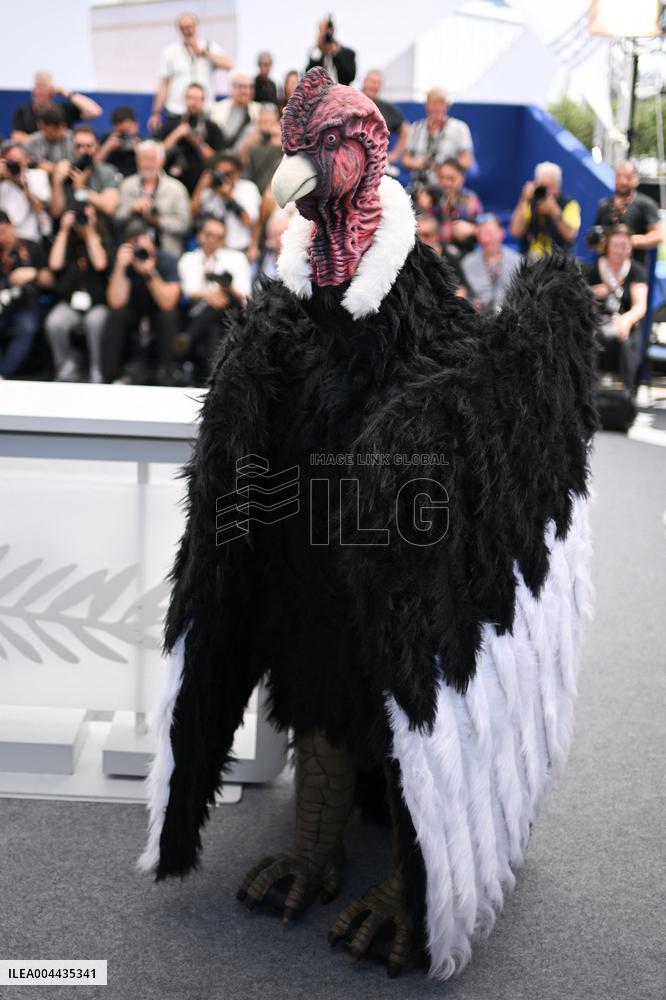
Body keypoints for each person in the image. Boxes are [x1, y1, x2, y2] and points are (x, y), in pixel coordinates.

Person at [103, 219, 180, 385]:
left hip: (157, 312)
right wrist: (120, 268)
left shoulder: (167, 260)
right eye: (133, 241)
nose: (139, 245)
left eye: (142, 238)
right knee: (116, 315)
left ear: (151, 239)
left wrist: (150, 274)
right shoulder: (123, 261)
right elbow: (115, 302)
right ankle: (109, 376)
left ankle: (167, 374)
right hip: (132, 312)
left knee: (169, 316)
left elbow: (168, 303)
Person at [178, 215, 251, 379]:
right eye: (209, 234)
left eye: (219, 237)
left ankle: (189, 336)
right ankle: (213, 378)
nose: (213, 240)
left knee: (224, 301)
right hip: (199, 311)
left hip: (231, 310)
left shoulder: (236, 259)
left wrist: (228, 287)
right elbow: (188, 291)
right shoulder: (188, 259)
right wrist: (210, 295)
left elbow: (245, 297)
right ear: (200, 235)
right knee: (212, 327)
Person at [45, 205, 112, 383]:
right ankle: (65, 368)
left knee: (96, 323)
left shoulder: (103, 239)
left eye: (89, 217)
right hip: (70, 303)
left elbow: (100, 264)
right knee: (55, 322)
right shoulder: (67, 242)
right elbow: (54, 264)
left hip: (98, 304)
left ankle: (97, 369)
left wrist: (90, 233)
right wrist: (64, 230)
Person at [586, 224, 648, 392]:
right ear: (608, 246)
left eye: (624, 246)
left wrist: (626, 320)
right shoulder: (593, 270)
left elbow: (640, 305)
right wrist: (593, 293)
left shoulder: (636, 270)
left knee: (626, 344)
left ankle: (625, 396)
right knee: (589, 341)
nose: (619, 250)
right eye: (615, 245)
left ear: (630, 248)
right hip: (597, 323)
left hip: (624, 324)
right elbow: (580, 299)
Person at [149, 11, 233, 131]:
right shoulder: (170, 51)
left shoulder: (209, 46)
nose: (187, 30)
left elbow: (229, 65)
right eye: (183, 27)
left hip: (205, 110)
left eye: (190, 26)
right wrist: (156, 112)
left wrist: (203, 52)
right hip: (177, 110)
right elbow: (164, 83)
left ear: (196, 26)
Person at [115, 140, 191, 259]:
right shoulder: (126, 185)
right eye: (143, 159)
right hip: (132, 254)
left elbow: (185, 225)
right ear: (137, 160)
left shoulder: (176, 189)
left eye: (151, 159)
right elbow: (115, 220)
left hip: (167, 253)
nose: (147, 164)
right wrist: (131, 209)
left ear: (162, 161)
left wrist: (159, 220)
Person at [0, 211, 52, 379]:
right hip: (3, 303)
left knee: (26, 327)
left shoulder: (30, 247)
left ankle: (3, 373)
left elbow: (50, 280)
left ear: (11, 226)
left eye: (2, 231)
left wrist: (33, 273)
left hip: (28, 302)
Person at [156, 83, 224, 193]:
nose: (193, 102)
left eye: (197, 99)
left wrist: (198, 143)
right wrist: (176, 135)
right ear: (185, 100)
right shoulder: (171, 124)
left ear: (203, 101)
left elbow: (218, 162)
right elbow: (157, 153)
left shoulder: (212, 128)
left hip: (201, 184)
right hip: (172, 181)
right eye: (190, 98)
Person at [593, 160, 662, 265]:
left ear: (636, 179)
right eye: (619, 176)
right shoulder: (604, 205)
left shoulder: (645, 204)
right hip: (605, 269)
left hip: (634, 271)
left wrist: (630, 241)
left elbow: (658, 235)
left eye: (627, 177)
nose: (623, 181)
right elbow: (596, 237)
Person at [509, 161, 581, 261]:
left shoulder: (570, 204)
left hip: (558, 262)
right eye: (543, 186)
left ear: (558, 187)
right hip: (529, 260)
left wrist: (554, 211)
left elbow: (570, 235)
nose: (547, 191)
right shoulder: (530, 202)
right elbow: (515, 231)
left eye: (550, 186)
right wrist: (523, 199)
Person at [403, 87, 474, 187]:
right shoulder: (416, 128)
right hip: (420, 183)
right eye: (432, 103)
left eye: (440, 103)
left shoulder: (460, 128)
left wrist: (446, 167)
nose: (435, 107)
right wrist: (417, 163)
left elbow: (467, 161)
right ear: (426, 106)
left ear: (446, 106)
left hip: (447, 184)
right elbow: (406, 159)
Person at [191, 154, 260, 255]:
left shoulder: (247, 188)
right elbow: (192, 213)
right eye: (219, 172)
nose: (223, 177)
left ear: (237, 173)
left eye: (227, 173)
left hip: (237, 250)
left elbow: (249, 220)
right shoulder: (210, 191)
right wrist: (200, 187)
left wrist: (229, 196)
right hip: (211, 250)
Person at [415, 158, 482, 258]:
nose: (446, 183)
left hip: (463, 254)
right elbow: (418, 230)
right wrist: (423, 208)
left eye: (451, 178)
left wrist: (473, 229)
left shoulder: (469, 199)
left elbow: (485, 226)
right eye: (442, 178)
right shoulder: (430, 196)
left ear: (462, 178)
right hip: (433, 253)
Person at [50, 126, 120, 222]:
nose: (84, 151)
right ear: (72, 148)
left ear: (96, 147)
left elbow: (109, 207)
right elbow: (56, 212)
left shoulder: (106, 171)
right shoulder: (63, 171)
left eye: (89, 146)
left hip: (99, 227)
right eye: (79, 146)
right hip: (67, 228)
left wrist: (81, 189)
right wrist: (57, 182)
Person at [11, 71, 101, 143]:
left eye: (44, 87)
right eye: (37, 86)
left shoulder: (64, 109)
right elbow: (17, 137)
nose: (40, 91)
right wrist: (47, 138)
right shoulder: (24, 110)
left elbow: (95, 111)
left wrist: (67, 93)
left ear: (52, 89)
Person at [462, 213, 521, 314]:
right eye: (481, 234)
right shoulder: (467, 262)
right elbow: (464, 294)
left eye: (490, 233)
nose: (486, 239)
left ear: (502, 233)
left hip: (510, 317)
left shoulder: (518, 261)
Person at [0, 143, 51, 243]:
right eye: (12, 162)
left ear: (26, 160)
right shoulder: (2, 181)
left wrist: (23, 186)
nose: (17, 166)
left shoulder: (38, 176)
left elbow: (41, 208)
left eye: (19, 161)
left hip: (30, 238)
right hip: (4, 239)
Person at [361, 70, 409, 167]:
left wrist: (395, 155)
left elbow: (405, 129)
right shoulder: (351, 103)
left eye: (377, 83)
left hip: (377, 163)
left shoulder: (386, 108)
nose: (374, 86)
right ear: (364, 82)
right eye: (371, 81)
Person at [210, 71, 260, 152]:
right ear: (232, 88)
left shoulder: (259, 110)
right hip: (220, 156)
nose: (246, 91)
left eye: (250, 87)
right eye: (241, 87)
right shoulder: (216, 108)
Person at [240, 104, 283, 194]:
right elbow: (241, 166)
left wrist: (280, 139)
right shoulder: (252, 143)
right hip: (253, 187)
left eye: (268, 122)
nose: (264, 126)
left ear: (276, 122)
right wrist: (246, 145)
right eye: (261, 122)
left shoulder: (282, 137)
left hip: (275, 186)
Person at [305, 16, 356, 85]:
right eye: (321, 31)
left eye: (327, 30)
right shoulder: (316, 54)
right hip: (321, 94)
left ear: (333, 30)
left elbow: (350, 76)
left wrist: (335, 53)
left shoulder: (348, 53)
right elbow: (309, 76)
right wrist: (319, 50)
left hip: (342, 93)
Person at [95, 107, 143, 179]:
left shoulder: (145, 142)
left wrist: (140, 150)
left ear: (136, 124)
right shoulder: (107, 139)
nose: (125, 135)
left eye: (128, 131)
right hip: (111, 179)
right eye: (122, 132)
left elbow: (152, 168)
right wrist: (107, 147)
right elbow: (94, 164)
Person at [24, 108, 73, 173]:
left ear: (62, 126)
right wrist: (36, 165)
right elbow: (24, 160)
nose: (45, 132)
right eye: (43, 129)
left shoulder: (74, 139)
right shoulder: (34, 140)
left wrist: (56, 168)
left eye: (51, 130)